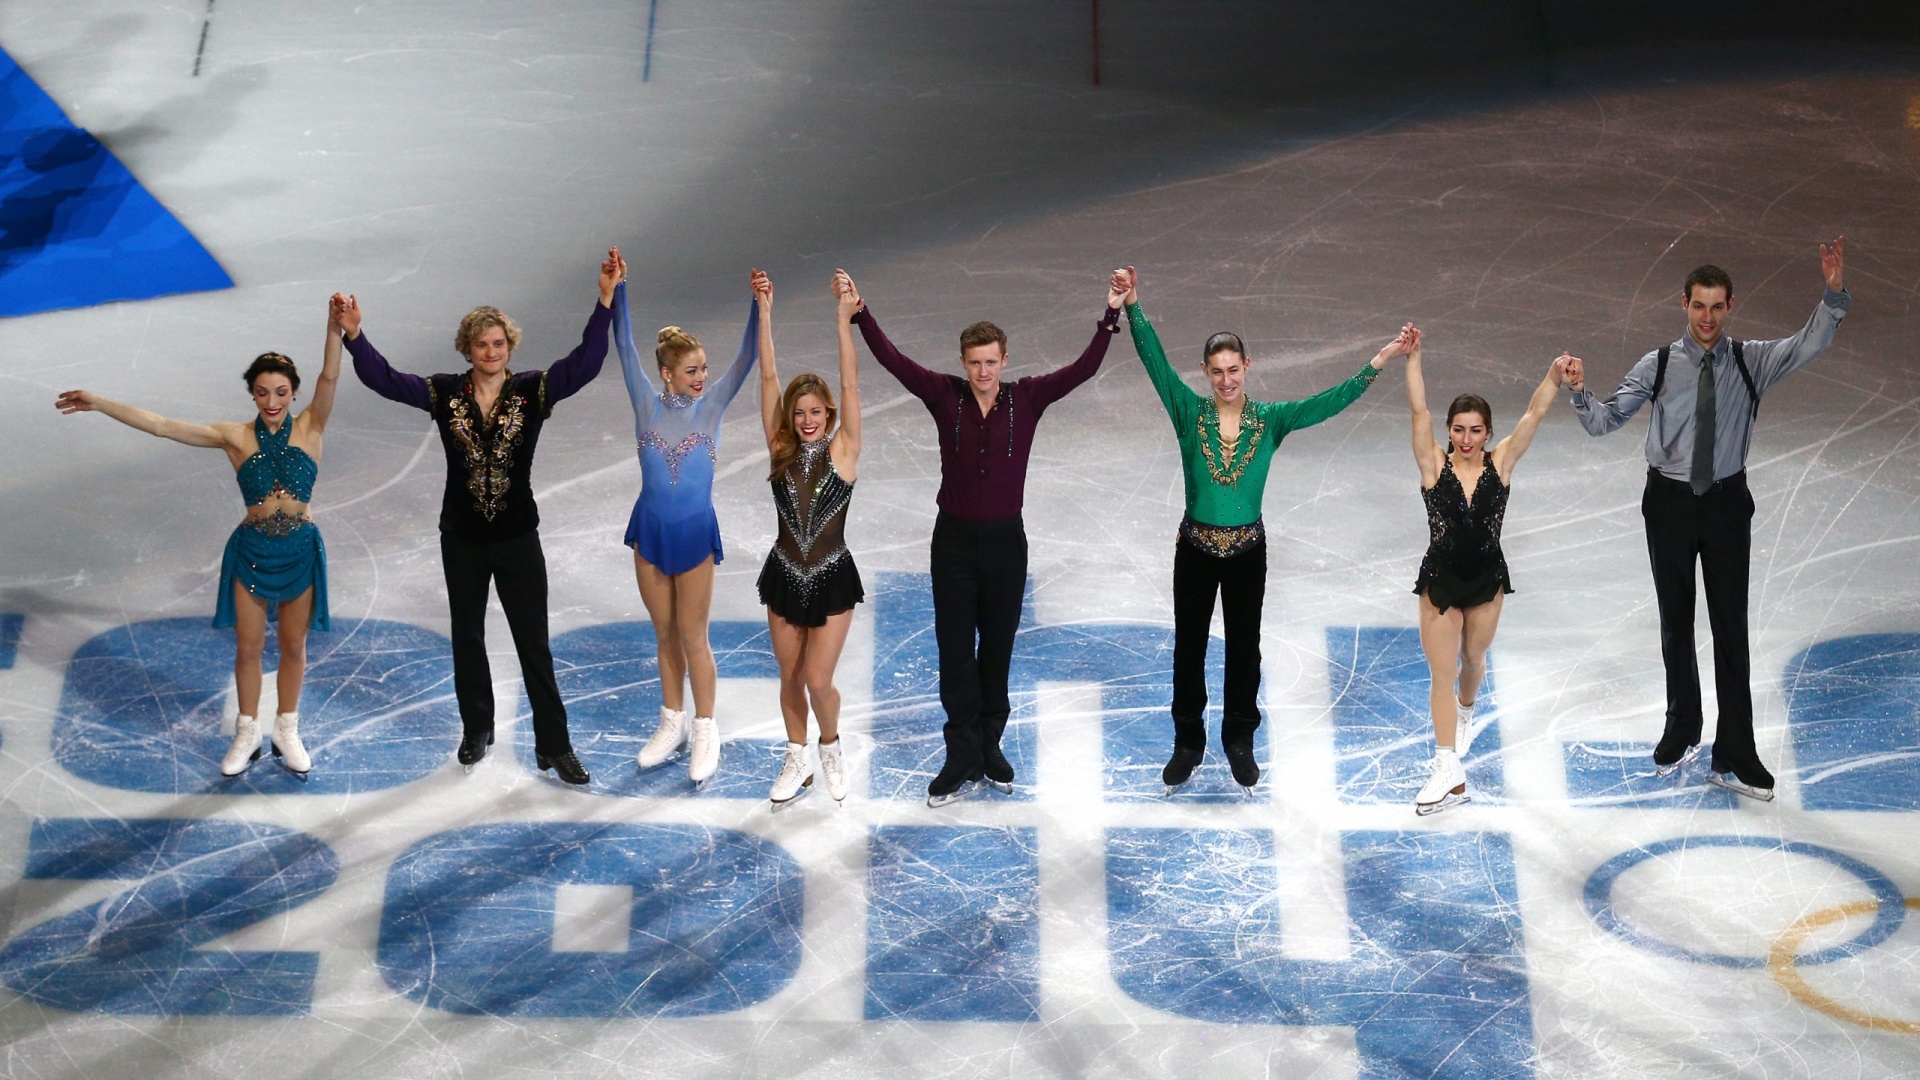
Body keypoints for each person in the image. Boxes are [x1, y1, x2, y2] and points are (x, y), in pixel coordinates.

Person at [1567, 238, 1850, 802]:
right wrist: (1579, 393)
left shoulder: (1751, 360)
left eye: (1718, 306)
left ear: (1731, 306)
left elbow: (1809, 342)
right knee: (1676, 621)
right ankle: (1682, 726)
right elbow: (1603, 422)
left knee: (1730, 630)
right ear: (1684, 304)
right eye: (1699, 305)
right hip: (1668, 504)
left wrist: (1834, 291)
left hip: (1724, 505)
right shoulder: (1660, 364)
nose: (1708, 317)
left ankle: (1735, 751)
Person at [341, 249, 624, 787]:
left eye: (498, 343)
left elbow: (586, 362)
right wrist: (356, 337)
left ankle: (554, 745)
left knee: (533, 642)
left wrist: (605, 300)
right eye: (481, 344)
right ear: (467, 349)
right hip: (463, 538)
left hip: (518, 537)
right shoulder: (445, 393)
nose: (491, 351)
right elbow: (384, 379)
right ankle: (477, 728)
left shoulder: (532, 389)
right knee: (467, 636)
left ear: (509, 347)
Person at [848, 267, 1128, 807]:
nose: (982, 370)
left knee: (995, 650)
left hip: (1005, 545)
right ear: (963, 363)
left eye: (991, 361)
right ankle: (960, 755)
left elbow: (1083, 369)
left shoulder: (1027, 399)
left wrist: (1111, 312)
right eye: (974, 362)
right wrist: (862, 313)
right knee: (955, 652)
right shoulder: (943, 395)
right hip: (952, 545)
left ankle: (990, 746)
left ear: (1004, 360)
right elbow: (894, 361)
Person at [1116, 266, 1399, 796]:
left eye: (1234, 369)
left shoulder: (1270, 419)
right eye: (1216, 371)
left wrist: (1378, 363)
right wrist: (1134, 306)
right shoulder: (1188, 411)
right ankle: (1187, 742)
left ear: (1248, 366)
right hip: (1196, 550)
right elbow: (1154, 363)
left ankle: (1240, 741)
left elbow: (1326, 403)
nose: (1226, 380)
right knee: (1189, 648)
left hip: (1247, 552)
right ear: (1204, 371)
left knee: (1245, 648)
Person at [55, 300, 343, 779]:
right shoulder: (233, 437)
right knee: (248, 648)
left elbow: (330, 379)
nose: (272, 401)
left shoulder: (312, 426)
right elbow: (164, 426)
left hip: (299, 551)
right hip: (252, 554)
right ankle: (247, 730)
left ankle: (286, 729)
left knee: (294, 646)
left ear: (293, 393)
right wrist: (100, 403)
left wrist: (334, 328)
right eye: (262, 392)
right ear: (252, 394)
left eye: (281, 392)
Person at [1402, 326, 1570, 814]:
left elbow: (1534, 412)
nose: (1467, 438)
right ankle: (1445, 765)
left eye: (1476, 430)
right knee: (1443, 671)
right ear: (1449, 431)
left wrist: (1555, 376)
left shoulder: (1502, 463)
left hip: (1487, 581)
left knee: (1473, 662)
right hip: (1441, 580)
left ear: (1488, 433)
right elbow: (1417, 411)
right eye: (1458, 429)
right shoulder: (1434, 465)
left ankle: (1467, 712)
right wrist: (1414, 358)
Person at [620, 271, 765, 786]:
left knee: (693, 636)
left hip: (694, 534)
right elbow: (623, 341)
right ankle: (672, 723)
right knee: (664, 634)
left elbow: (747, 360)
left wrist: (757, 305)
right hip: (651, 533)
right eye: (690, 370)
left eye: (703, 368)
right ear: (666, 374)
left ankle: (705, 727)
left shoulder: (712, 408)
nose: (701, 376)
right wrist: (619, 289)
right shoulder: (644, 404)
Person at [753, 271, 868, 808]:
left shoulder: (844, 451)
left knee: (818, 679)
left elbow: (849, 383)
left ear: (829, 415)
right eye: (799, 413)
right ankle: (796, 758)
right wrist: (765, 311)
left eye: (815, 412)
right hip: (783, 573)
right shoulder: (779, 450)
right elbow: (769, 379)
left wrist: (842, 320)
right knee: (790, 675)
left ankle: (829, 748)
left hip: (831, 576)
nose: (805, 420)